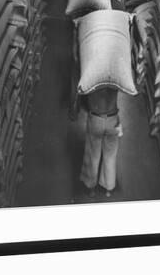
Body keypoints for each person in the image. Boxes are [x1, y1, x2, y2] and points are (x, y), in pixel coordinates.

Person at [69, 22, 123, 198]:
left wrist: (78, 32)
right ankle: (108, 188)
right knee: (110, 155)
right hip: (113, 118)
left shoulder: (92, 74)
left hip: (96, 119)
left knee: (92, 153)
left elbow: (77, 60)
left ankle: (90, 187)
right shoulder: (116, 73)